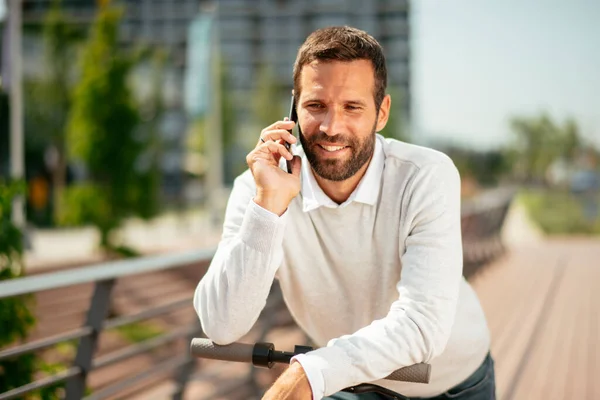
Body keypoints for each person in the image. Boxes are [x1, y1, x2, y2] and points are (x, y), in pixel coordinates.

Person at [194, 26, 495, 400]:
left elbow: (421, 325)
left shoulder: (426, 176)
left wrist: (310, 374)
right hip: (345, 380)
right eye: (315, 106)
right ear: (293, 108)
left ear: (381, 112)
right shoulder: (259, 187)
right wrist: (268, 208)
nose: (331, 128)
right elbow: (221, 325)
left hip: (451, 384)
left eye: (352, 107)